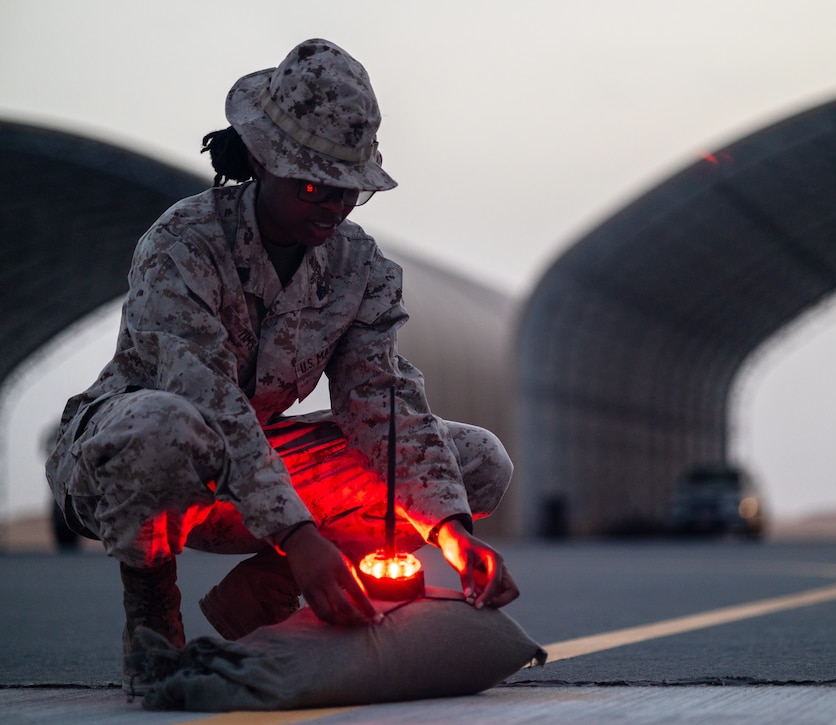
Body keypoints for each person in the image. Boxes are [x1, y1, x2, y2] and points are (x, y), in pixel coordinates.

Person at [44, 38, 519, 693]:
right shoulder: (182, 244)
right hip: (135, 464)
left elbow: (382, 403)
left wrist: (452, 534)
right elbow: (207, 399)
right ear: (261, 162)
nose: (332, 205)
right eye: (312, 185)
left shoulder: (359, 269)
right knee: (165, 426)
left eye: (347, 190)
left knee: (473, 461)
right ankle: (153, 627)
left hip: (252, 476)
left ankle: (270, 587)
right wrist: (300, 537)